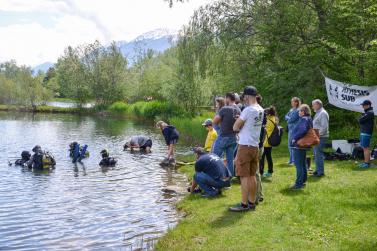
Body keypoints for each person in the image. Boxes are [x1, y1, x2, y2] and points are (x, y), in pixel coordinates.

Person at [230, 86, 264, 212]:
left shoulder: (248, 110)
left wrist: (239, 120)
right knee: (252, 175)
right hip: (255, 145)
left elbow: (235, 127)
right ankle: (251, 203)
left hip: (245, 146)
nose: (243, 98)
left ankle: (243, 204)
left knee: (244, 176)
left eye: (244, 96)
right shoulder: (260, 109)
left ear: (247, 96)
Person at [213, 92, 241, 176]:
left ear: (228, 98)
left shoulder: (225, 109)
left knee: (214, 157)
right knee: (230, 159)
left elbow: (214, 122)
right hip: (234, 138)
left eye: (225, 98)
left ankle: (215, 176)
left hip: (224, 137)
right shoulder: (239, 110)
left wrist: (219, 130)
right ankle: (229, 178)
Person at [290, 104, 313, 190]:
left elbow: (303, 130)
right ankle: (303, 181)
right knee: (303, 164)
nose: (299, 112)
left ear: (303, 112)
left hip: (300, 144)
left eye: (300, 111)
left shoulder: (303, 119)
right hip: (304, 144)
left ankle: (298, 184)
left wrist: (295, 138)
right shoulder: (309, 118)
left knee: (298, 164)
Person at [312, 99, 329, 177]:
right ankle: (317, 170)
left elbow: (324, 127)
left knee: (318, 154)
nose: (312, 107)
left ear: (318, 105)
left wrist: (317, 136)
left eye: (313, 105)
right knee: (316, 154)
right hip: (317, 136)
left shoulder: (323, 113)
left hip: (321, 137)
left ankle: (320, 172)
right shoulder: (318, 113)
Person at [260, 106, 278, 178]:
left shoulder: (268, 120)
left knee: (262, 157)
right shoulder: (274, 118)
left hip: (266, 141)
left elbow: (265, 130)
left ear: (268, 114)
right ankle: (270, 171)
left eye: (266, 113)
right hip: (270, 141)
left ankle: (261, 172)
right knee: (269, 157)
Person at [358, 100, 374, 168]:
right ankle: (366, 162)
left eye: (363, 105)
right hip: (364, 132)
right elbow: (361, 120)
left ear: (368, 105)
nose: (362, 106)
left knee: (366, 148)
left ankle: (366, 163)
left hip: (366, 133)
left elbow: (360, 120)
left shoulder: (370, 112)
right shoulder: (367, 112)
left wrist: (360, 118)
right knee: (365, 148)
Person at [285, 97, 301, 165]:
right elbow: (285, 116)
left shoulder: (297, 110)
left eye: (293, 101)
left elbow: (292, 119)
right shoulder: (291, 110)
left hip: (294, 130)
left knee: (293, 144)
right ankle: (291, 160)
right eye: (291, 101)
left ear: (296, 102)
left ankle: (294, 160)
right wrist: (288, 118)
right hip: (290, 129)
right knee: (289, 145)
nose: (291, 103)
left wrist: (288, 119)